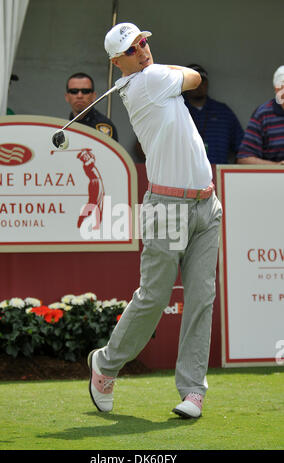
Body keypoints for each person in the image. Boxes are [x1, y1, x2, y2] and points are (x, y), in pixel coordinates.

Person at [87, 22, 222, 419]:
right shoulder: (150, 81)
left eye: (144, 42)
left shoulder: (150, 79)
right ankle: (106, 365)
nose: (143, 50)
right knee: (154, 297)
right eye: (132, 49)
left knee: (201, 298)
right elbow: (197, 77)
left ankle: (193, 390)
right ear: (117, 62)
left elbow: (191, 81)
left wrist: (158, 68)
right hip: (167, 206)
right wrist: (166, 70)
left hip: (206, 204)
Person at [182, 64, 243, 164]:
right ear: (184, 85)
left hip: (218, 174)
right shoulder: (176, 111)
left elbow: (243, 149)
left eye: (202, 81)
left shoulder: (223, 112)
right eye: (194, 81)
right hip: (184, 175)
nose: (199, 85)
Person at [236, 65, 284, 164]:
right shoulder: (263, 114)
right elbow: (244, 158)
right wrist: (277, 167)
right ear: (276, 90)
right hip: (272, 178)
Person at [65, 72, 118, 141]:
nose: (79, 96)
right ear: (67, 97)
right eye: (74, 91)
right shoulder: (64, 126)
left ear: (94, 96)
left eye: (85, 91)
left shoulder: (103, 126)